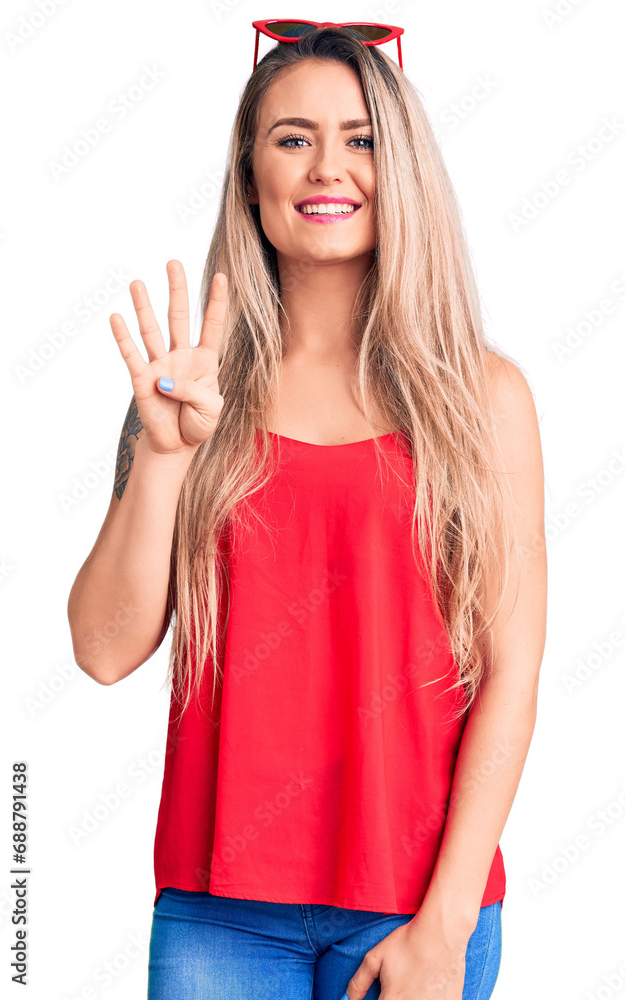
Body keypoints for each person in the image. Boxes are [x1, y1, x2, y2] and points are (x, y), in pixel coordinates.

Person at [67, 23, 547, 1000]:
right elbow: (104, 649)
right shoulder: (189, 392)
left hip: (417, 909)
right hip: (218, 916)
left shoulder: (483, 397)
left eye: (360, 139)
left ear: (401, 168)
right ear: (249, 176)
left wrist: (446, 924)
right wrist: (164, 456)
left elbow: (514, 672)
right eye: (292, 138)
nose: (328, 166)